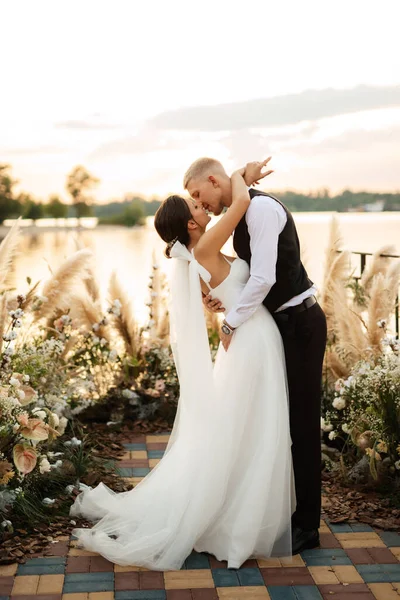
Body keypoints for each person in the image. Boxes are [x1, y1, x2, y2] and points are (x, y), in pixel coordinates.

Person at [70, 163, 295, 571]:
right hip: (252, 337)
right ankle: (241, 519)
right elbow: (241, 199)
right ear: (191, 225)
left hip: (241, 338)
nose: (202, 205)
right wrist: (244, 172)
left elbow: (221, 294)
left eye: (199, 199)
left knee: (241, 429)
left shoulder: (196, 256)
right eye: (196, 204)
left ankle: (234, 507)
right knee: (256, 427)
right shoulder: (207, 244)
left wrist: (220, 304)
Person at [183, 157, 327, 555]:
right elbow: (245, 272)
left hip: (300, 324)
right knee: (279, 420)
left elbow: (263, 277)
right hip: (279, 327)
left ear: (213, 180)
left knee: (302, 424)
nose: (201, 203)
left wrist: (231, 322)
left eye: (198, 194)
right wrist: (226, 298)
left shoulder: (260, 209)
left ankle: (307, 527)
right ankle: (289, 511)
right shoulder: (241, 209)